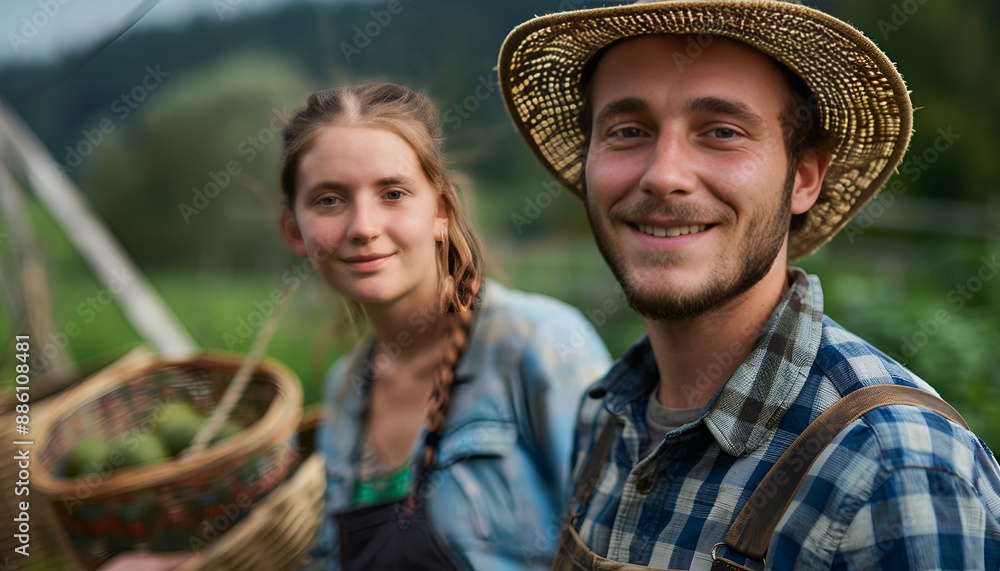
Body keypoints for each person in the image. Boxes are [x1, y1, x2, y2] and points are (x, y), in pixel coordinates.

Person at [498, 1, 1000, 569]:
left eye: (721, 132)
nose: (664, 175)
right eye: (627, 130)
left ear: (805, 178)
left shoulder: (897, 466)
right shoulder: (603, 420)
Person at [277, 82, 611, 570]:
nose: (363, 226)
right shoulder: (347, 389)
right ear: (295, 232)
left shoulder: (537, 343)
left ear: (440, 212)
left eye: (393, 193)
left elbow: (618, 539)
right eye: (329, 200)